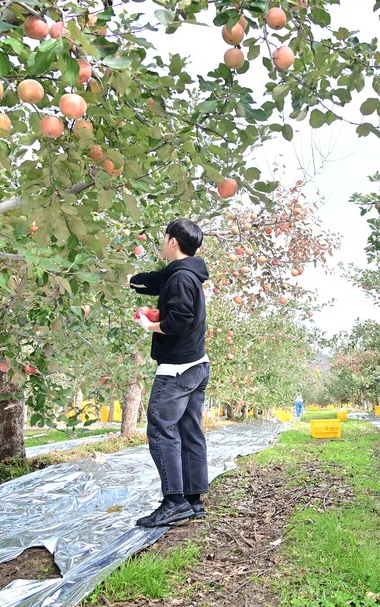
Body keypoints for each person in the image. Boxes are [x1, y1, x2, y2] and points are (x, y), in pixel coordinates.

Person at [128, 218, 211, 528]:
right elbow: (155, 280)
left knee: (161, 428)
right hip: (197, 365)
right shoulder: (183, 273)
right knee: (189, 429)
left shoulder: (180, 280)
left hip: (177, 368)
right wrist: (127, 280)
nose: (162, 242)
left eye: (164, 238)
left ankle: (174, 501)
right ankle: (193, 499)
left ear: (173, 241)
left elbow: (178, 321)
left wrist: (150, 325)